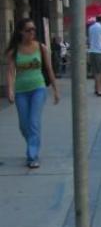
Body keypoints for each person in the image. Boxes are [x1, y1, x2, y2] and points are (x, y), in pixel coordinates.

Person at [4, 18, 60, 169]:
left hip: (38, 89)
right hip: (21, 91)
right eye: (28, 30)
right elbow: (10, 72)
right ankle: (32, 143)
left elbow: (49, 69)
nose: (32, 33)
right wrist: (9, 89)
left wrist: (55, 89)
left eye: (34, 29)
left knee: (33, 123)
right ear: (21, 32)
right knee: (24, 125)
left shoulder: (41, 48)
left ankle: (32, 156)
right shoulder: (14, 50)